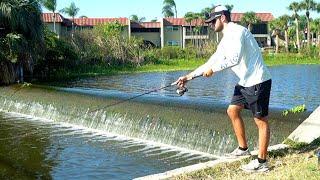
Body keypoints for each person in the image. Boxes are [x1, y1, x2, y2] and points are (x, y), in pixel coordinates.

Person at [174, 5, 272, 172]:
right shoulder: (225, 38)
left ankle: (262, 163)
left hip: (257, 80)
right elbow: (212, 61)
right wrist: (188, 77)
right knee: (232, 110)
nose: (211, 25)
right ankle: (243, 149)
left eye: (213, 21)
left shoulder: (238, 32)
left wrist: (214, 70)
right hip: (245, 81)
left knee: (260, 121)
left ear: (223, 18)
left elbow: (234, 58)